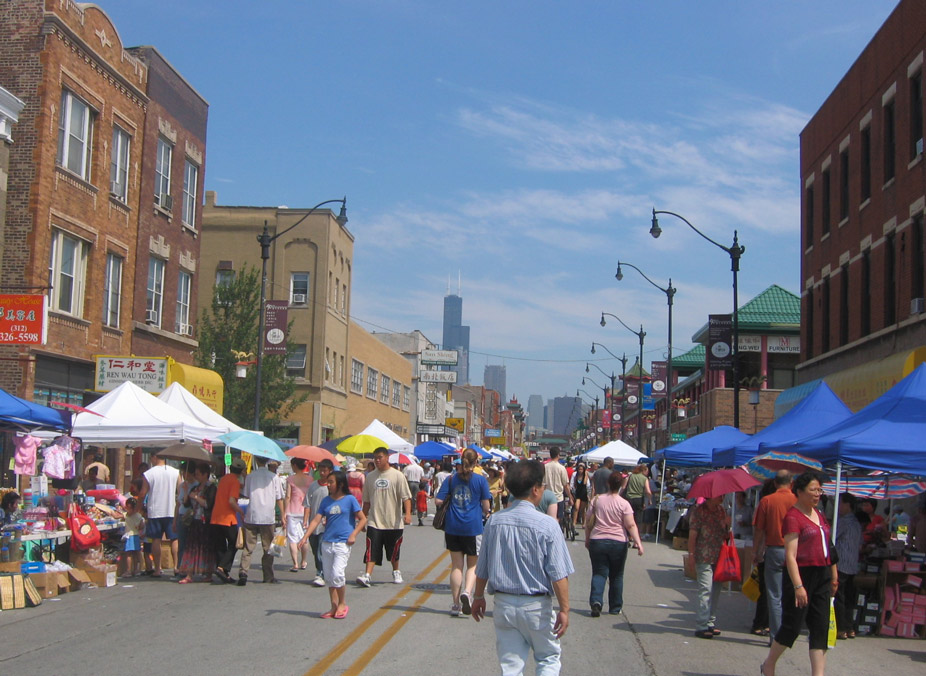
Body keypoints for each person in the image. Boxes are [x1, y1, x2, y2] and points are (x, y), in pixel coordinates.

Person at [471, 460, 575, 676]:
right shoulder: (548, 525)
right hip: (536, 605)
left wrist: (478, 596)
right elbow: (558, 574)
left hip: (504, 604)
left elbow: (483, 564)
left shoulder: (495, 521)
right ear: (536, 490)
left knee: (510, 664)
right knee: (547, 657)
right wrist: (564, 609)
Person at [761, 472, 838, 676]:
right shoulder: (793, 517)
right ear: (800, 492)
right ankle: (769, 663)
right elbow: (790, 555)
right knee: (792, 627)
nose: (817, 494)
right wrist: (798, 586)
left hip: (822, 574)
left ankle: (818, 674)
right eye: (813, 490)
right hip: (801, 575)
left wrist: (833, 575)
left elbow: (828, 548)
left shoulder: (819, 514)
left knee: (820, 627)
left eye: (819, 490)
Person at [299, 471, 366, 619]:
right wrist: (305, 537)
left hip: (342, 543)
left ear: (340, 484)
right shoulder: (326, 501)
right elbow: (316, 520)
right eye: (327, 482)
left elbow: (362, 519)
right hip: (327, 542)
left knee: (337, 574)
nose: (328, 485)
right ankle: (333, 606)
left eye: (331, 482)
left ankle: (342, 603)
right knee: (329, 577)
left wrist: (353, 534)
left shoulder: (350, 499)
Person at [436, 448, 491, 616]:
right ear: (476, 463)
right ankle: (467, 592)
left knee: (456, 565)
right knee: (472, 565)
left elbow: (438, 500)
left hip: (453, 526)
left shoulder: (451, 479)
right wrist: (484, 512)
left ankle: (455, 604)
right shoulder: (481, 481)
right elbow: (486, 506)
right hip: (473, 527)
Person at [585, 469, 643, 617]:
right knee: (616, 575)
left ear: (608, 483)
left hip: (597, 540)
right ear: (622, 484)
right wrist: (638, 543)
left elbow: (588, 521)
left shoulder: (596, 500)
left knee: (599, 572)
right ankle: (615, 607)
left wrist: (587, 538)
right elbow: (630, 525)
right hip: (618, 542)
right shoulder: (624, 504)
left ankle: (596, 602)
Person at [356, 447, 412, 587]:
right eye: (375, 458)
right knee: (371, 548)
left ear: (387, 458)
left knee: (393, 550)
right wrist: (363, 519)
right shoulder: (370, 477)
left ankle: (396, 571)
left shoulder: (397, 475)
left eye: (380, 457)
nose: (377, 460)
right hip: (375, 521)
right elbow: (367, 501)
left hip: (393, 522)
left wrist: (408, 514)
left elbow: (406, 497)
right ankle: (367, 575)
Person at [753, 470, 797, 641]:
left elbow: (759, 529)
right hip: (795, 550)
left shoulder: (767, 501)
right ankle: (789, 631)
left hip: (774, 549)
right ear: (791, 482)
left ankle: (776, 636)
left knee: (774, 594)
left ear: (775, 483)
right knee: (793, 592)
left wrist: (756, 551)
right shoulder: (797, 501)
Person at [688, 495, 731, 639]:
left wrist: (727, 525)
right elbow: (693, 534)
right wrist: (691, 555)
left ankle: (710, 622)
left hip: (719, 555)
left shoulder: (721, 511)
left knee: (716, 590)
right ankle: (701, 625)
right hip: (703, 555)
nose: (722, 497)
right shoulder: (699, 511)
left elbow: (725, 534)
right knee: (706, 589)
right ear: (711, 496)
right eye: (720, 495)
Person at [238, 457, 285, 586]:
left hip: (252, 514)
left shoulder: (251, 476)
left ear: (256, 461)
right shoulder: (274, 477)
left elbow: (246, 494)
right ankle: (268, 575)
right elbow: (279, 498)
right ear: (268, 461)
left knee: (248, 546)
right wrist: (283, 515)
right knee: (268, 548)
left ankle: (243, 572)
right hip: (267, 516)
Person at [138, 455, 181, 577]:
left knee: (156, 539)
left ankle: (157, 568)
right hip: (170, 510)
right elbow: (181, 489)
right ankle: (177, 566)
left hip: (155, 511)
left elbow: (142, 493)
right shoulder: (175, 472)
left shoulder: (149, 474)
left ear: (154, 457)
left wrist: (138, 508)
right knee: (174, 539)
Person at [177, 463, 216, 584]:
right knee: (191, 548)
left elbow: (209, 504)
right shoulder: (195, 488)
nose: (196, 476)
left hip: (206, 522)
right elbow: (187, 504)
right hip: (195, 521)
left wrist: (196, 497)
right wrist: (186, 493)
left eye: (198, 474)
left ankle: (208, 572)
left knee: (206, 548)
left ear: (205, 475)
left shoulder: (211, 488)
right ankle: (189, 573)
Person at [210, 459, 245, 584]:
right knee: (234, 543)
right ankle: (222, 567)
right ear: (241, 471)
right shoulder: (234, 481)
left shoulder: (224, 479)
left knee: (220, 546)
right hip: (227, 518)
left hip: (215, 517)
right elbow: (231, 501)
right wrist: (240, 511)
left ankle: (224, 573)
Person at [833, 493, 861, 640]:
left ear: (847, 505)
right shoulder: (856, 523)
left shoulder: (845, 522)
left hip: (842, 564)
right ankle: (850, 628)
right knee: (849, 598)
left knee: (840, 596)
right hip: (852, 565)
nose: (839, 506)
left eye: (841, 503)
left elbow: (832, 537)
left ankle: (842, 628)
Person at [303, 458, 334, 587]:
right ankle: (322, 570)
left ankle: (320, 573)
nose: (322, 473)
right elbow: (307, 504)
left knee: (322, 549)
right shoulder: (313, 486)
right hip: (313, 524)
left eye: (324, 471)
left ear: (330, 471)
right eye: (320, 470)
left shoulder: (333, 487)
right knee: (316, 549)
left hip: (326, 525)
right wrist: (305, 520)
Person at [284, 458, 314, 572]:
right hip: (306, 511)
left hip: (292, 510)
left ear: (295, 466)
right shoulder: (310, 480)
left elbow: (287, 497)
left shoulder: (290, 479)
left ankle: (295, 563)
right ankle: (303, 561)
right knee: (304, 538)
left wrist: (284, 512)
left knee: (292, 538)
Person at [621, 464, 653, 539]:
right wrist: (650, 500)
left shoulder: (630, 476)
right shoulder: (645, 479)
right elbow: (648, 491)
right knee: (638, 520)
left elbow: (623, 487)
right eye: (647, 471)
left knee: (627, 518)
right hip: (639, 499)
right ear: (643, 470)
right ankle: (636, 540)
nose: (647, 473)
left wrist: (619, 496)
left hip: (628, 499)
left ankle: (627, 537)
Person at [543, 447, 572, 522]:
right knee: (558, 518)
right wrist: (570, 497)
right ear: (558, 455)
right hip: (558, 497)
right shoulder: (561, 468)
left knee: (547, 518)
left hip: (546, 497)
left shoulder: (545, 467)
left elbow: (542, 484)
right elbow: (566, 485)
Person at [121, 497, 145, 577]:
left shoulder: (126, 515)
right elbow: (141, 526)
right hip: (136, 535)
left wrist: (111, 512)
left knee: (129, 554)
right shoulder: (139, 516)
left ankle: (128, 571)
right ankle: (136, 570)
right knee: (136, 554)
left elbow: (117, 516)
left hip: (129, 536)